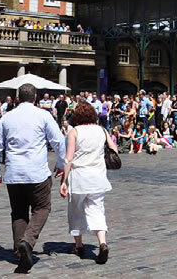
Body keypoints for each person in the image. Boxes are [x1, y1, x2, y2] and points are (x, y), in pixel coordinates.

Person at [0, 83, 67, 272]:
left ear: (17, 99)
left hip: (14, 172)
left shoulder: (7, 117)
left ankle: (20, 251)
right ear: (35, 98)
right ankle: (27, 242)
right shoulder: (43, 115)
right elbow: (58, 140)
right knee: (42, 207)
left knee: (18, 212)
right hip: (36, 172)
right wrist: (61, 163)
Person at [59, 102, 115, 264]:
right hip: (98, 177)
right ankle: (102, 243)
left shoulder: (74, 132)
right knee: (97, 210)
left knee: (76, 211)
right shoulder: (102, 130)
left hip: (79, 178)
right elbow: (114, 149)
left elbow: (69, 159)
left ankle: (78, 245)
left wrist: (63, 181)